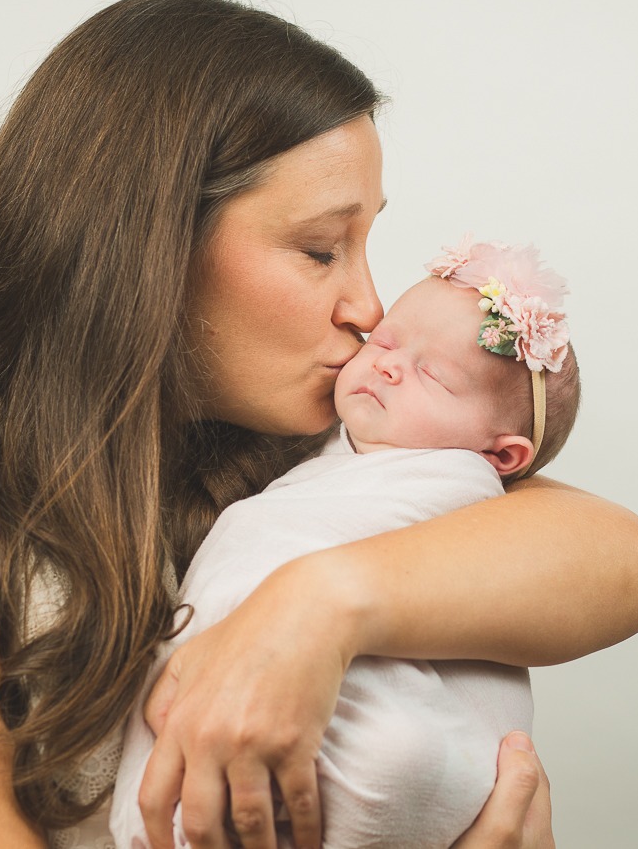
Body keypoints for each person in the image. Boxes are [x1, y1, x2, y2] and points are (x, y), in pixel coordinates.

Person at [0, 0, 638, 849]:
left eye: (365, 246)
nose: (367, 306)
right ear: (145, 247)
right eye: (317, 250)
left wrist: (317, 607)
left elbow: (634, 562)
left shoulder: (323, 463)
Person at [111, 240, 581, 849]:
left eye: (433, 374)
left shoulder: (457, 486)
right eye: (386, 342)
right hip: (260, 701)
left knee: (385, 756)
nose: (386, 364)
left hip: (396, 742)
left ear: (500, 455)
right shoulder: (320, 439)